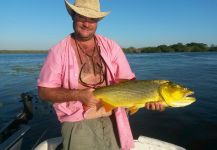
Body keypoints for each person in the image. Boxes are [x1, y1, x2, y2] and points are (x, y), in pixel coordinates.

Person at [37, 0, 164, 150]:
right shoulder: (57, 52)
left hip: (114, 118)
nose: (87, 24)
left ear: (98, 21)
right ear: (73, 17)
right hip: (77, 122)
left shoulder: (112, 47)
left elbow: (130, 83)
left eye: (92, 19)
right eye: (82, 17)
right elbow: (44, 92)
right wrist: (79, 95)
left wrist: (150, 97)